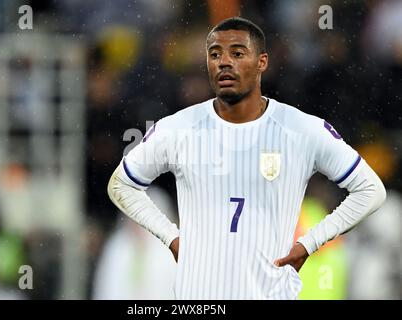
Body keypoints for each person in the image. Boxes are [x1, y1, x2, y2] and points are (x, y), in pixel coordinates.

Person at [107, 17, 386, 299]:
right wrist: (171, 238)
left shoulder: (301, 129)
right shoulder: (178, 128)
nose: (224, 62)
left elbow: (370, 190)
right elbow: (121, 184)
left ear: (262, 62)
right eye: (215, 54)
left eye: (237, 53)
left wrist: (309, 243)